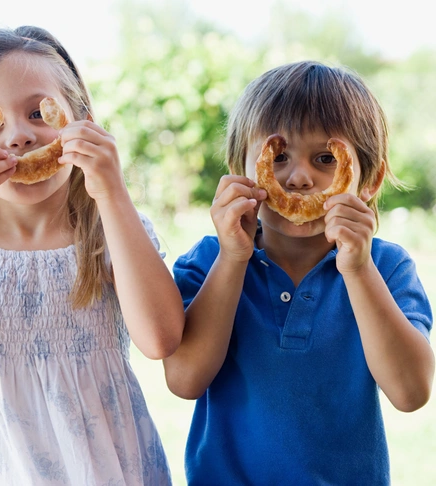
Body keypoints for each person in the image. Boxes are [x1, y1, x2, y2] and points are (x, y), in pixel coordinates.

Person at [0, 26, 184, 485]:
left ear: (83, 123)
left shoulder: (108, 232)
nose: (21, 136)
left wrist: (112, 194)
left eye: (38, 112)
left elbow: (161, 339)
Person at [163, 60, 434, 485]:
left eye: (326, 158)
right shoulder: (209, 260)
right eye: (280, 156)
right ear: (240, 171)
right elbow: (184, 380)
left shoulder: (386, 267)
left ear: (370, 180)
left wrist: (359, 270)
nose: (300, 178)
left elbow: (411, 393)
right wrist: (233, 259)